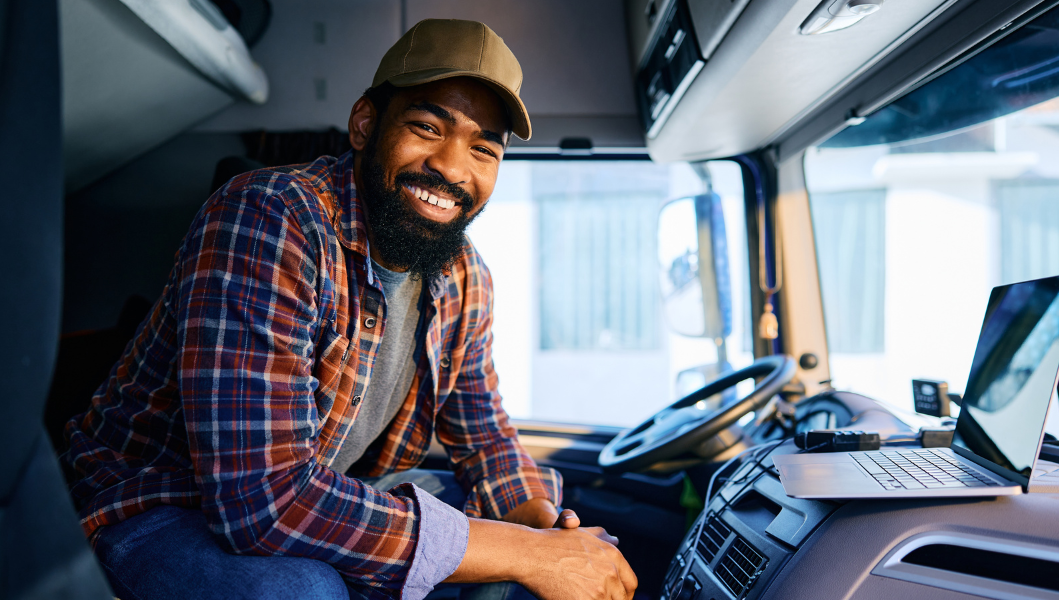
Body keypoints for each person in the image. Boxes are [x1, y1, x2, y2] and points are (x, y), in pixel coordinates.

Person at [59, 18, 637, 600]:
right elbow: (262, 500)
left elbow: (484, 433)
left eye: (483, 148)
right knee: (305, 591)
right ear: (365, 123)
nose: (453, 167)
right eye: (427, 126)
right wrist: (519, 554)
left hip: (319, 486)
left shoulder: (466, 276)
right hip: (158, 504)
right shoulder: (270, 219)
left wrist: (538, 526)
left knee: (504, 535)